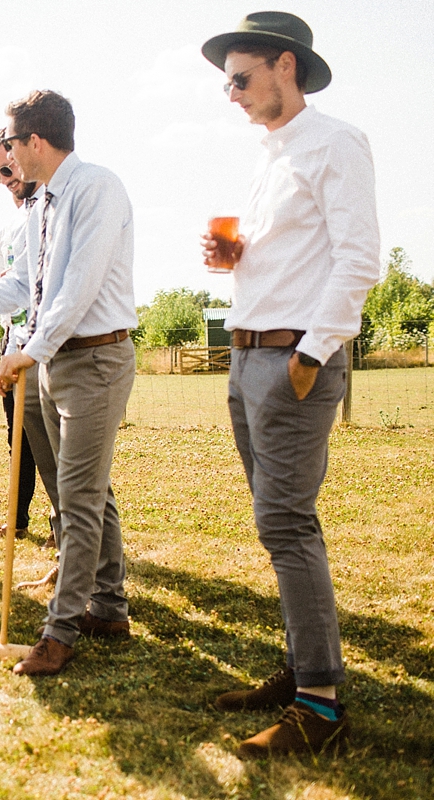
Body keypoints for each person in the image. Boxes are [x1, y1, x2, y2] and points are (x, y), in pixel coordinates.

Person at [200, 11, 378, 758]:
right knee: (276, 523)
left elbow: (359, 260)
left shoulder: (336, 142)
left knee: (286, 523)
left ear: (286, 66)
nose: (231, 93)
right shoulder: (267, 155)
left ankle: (321, 707)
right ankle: (304, 667)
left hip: (292, 363)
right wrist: (232, 256)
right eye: (226, 83)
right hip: (246, 360)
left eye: (240, 78)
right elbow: (292, 257)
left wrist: (310, 356)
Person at [0, 90, 137, 671]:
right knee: (84, 490)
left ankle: (61, 631)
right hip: (53, 360)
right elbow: (27, 286)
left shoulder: (97, 189)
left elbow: (79, 288)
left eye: (13, 145)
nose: (10, 158)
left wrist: (30, 351)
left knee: (80, 496)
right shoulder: (42, 204)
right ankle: (109, 606)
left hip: (95, 357)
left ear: (35, 142)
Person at [0, 129, 61, 550]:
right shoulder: (8, 228)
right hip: (15, 346)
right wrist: (8, 347)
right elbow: (7, 291)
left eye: (7, 167)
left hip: (48, 346)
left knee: (55, 446)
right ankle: (17, 520)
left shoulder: (53, 211)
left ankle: (61, 524)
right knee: (19, 439)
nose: (6, 177)